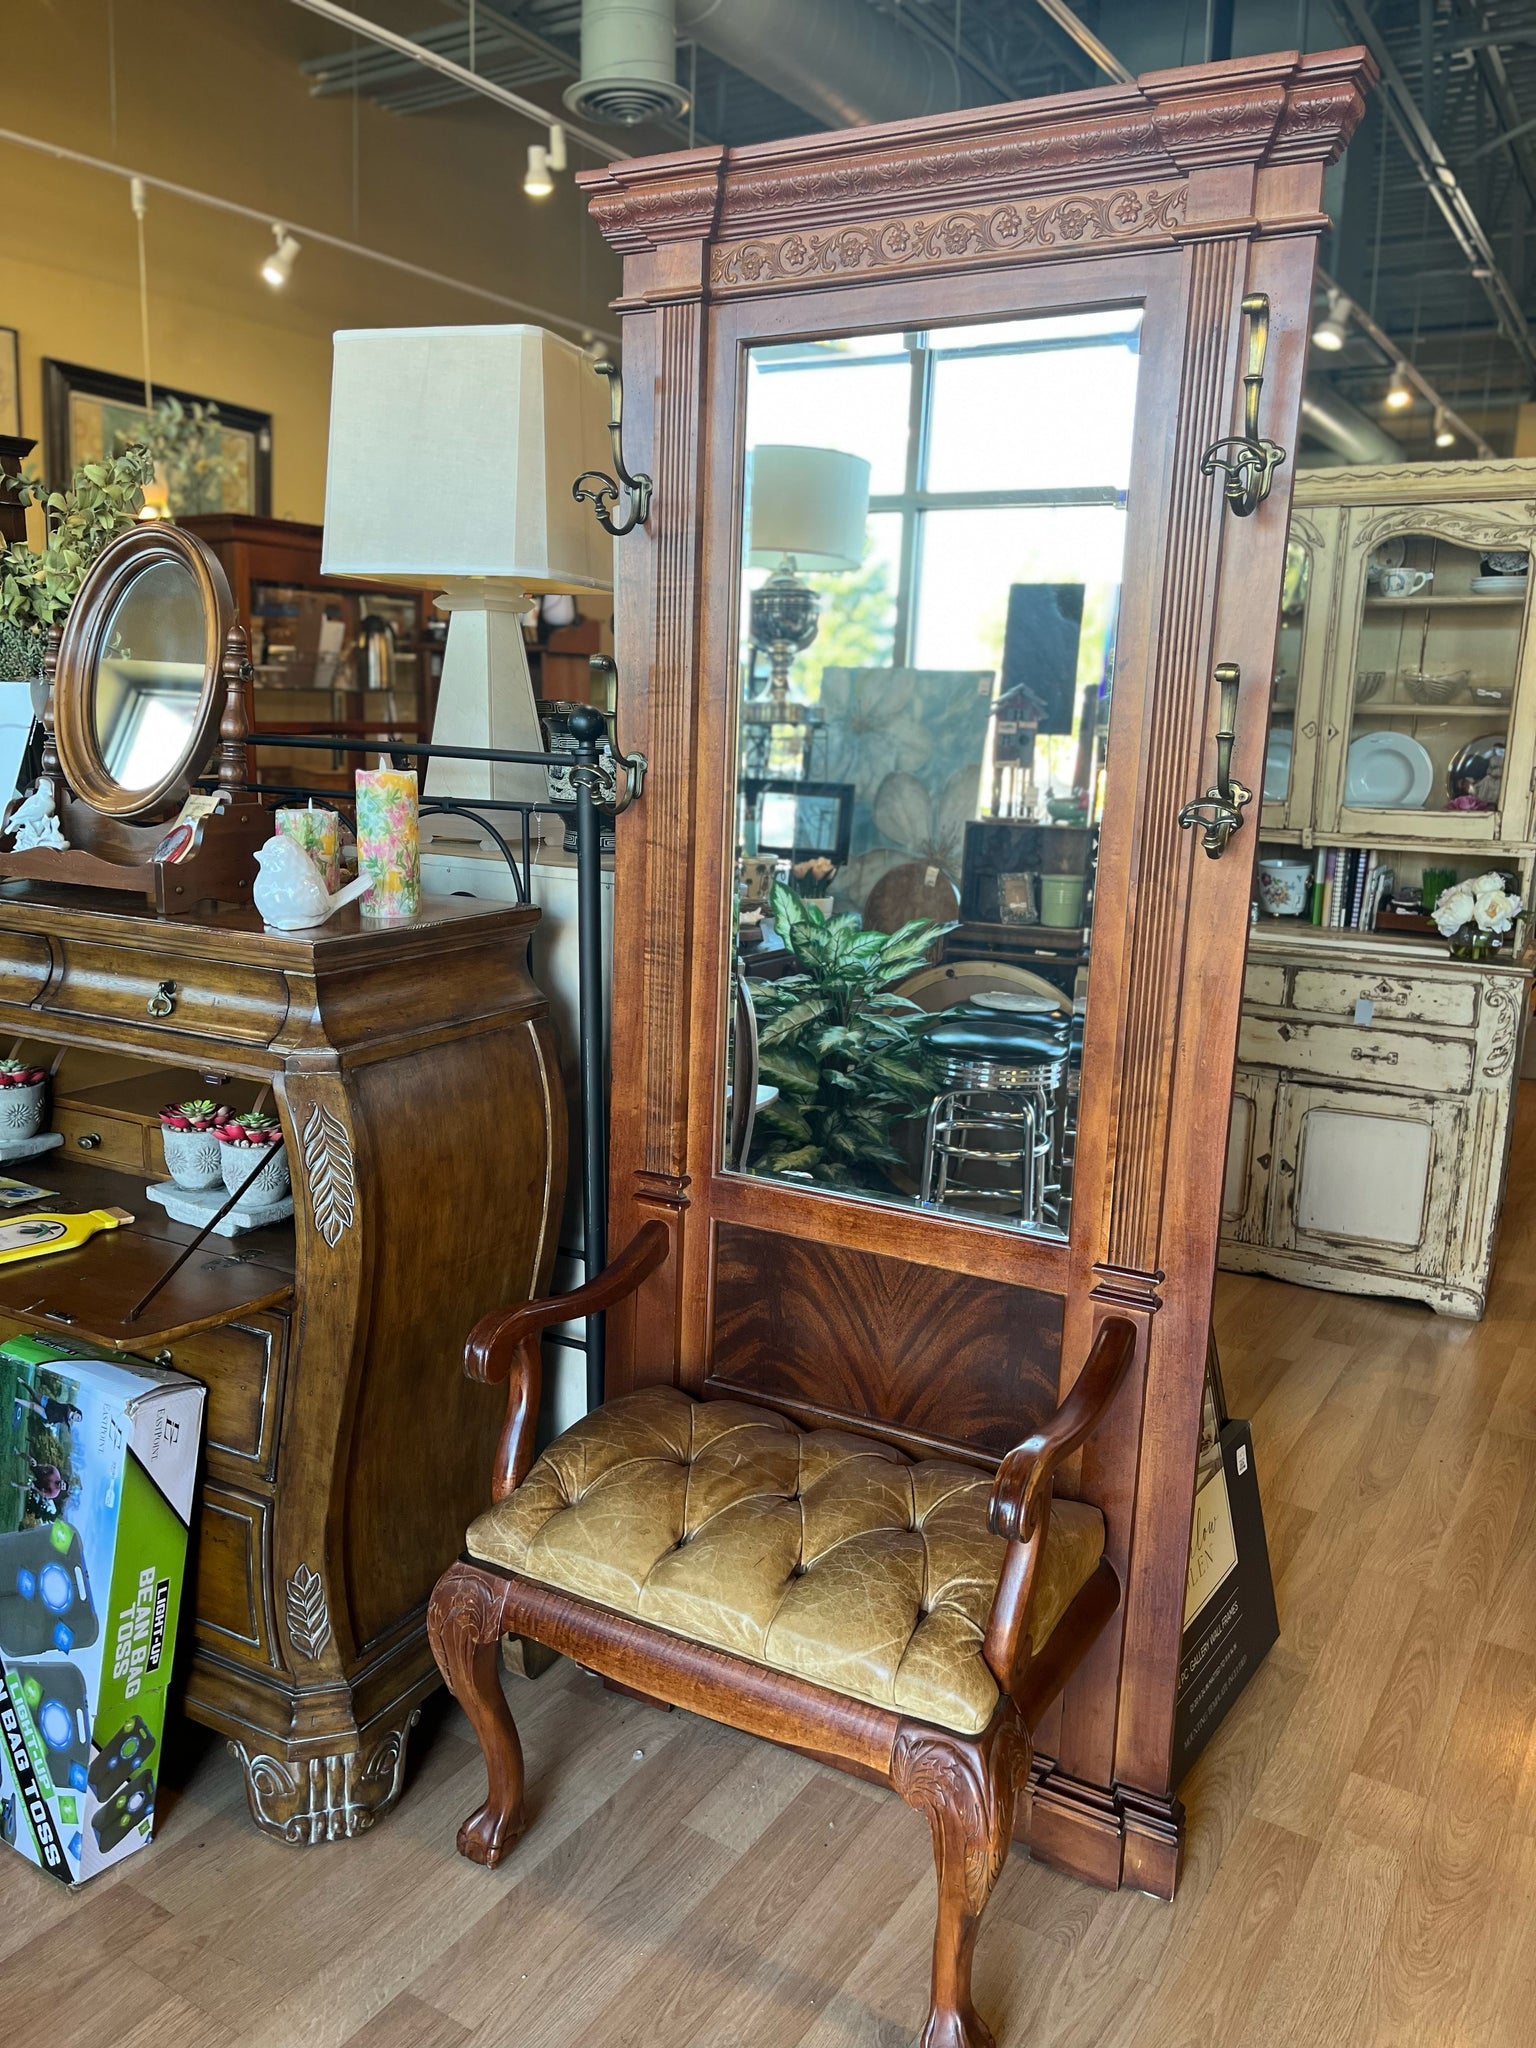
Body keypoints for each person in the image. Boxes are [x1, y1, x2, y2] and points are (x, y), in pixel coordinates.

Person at [12, 1393, 81, 1430]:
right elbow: (64, 1410)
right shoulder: (68, 1408)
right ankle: (22, 1384)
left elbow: (57, 1420)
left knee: (32, 1405)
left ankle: (17, 1400)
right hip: (49, 1403)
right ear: (76, 1412)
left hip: (47, 1414)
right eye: (78, 1417)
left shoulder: (66, 1421)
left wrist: (50, 1424)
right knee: (33, 1394)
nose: (76, 1419)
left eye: (77, 1420)